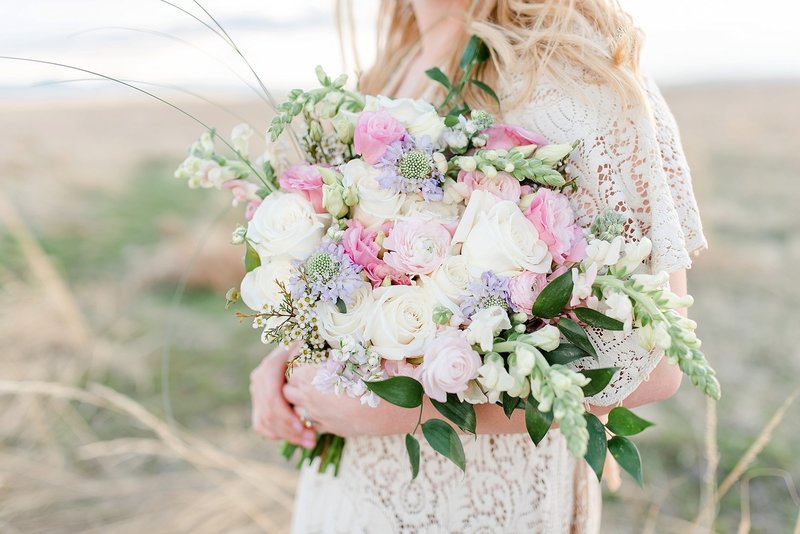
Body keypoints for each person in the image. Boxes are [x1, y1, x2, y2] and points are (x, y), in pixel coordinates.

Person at [249, 0, 708, 531]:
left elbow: (657, 362)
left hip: (488, 499)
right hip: (353, 490)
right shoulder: (397, 61)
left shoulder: (575, 72)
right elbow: (365, 264)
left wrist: (406, 411)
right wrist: (295, 359)